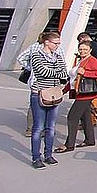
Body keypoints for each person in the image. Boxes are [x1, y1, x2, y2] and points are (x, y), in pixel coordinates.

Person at [28, 31, 68, 169]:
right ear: (47, 42)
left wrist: (54, 72)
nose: (58, 46)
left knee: (51, 127)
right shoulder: (36, 55)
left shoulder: (58, 56)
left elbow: (64, 73)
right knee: (38, 127)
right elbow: (41, 72)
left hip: (55, 93)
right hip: (39, 93)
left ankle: (48, 154)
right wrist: (55, 72)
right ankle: (36, 157)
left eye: (58, 43)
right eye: (56, 43)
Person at [55, 41, 97, 153]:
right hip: (81, 93)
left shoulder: (91, 60)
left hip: (86, 94)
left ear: (90, 50)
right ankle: (89, 139)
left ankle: (69, 144)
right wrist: (64, 90)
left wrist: (85, 72)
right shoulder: (80, 60)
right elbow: (74, 78)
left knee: (72, 117)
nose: (82, 51)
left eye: (85, 49)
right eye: (81, 49)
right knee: (85, 116)